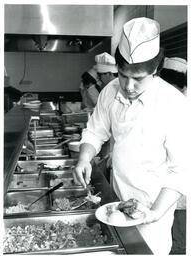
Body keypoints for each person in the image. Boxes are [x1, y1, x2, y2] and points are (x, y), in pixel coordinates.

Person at [74, 17, 189, 255]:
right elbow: (95, 131)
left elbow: (182, 169)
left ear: (156, 70)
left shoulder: (174, 104)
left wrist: (156, 212)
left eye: (138, 78)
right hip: (115, 200)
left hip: (154, 208)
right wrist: (84, 158)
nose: (128, 86)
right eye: (123, 75)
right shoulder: (109, 91)